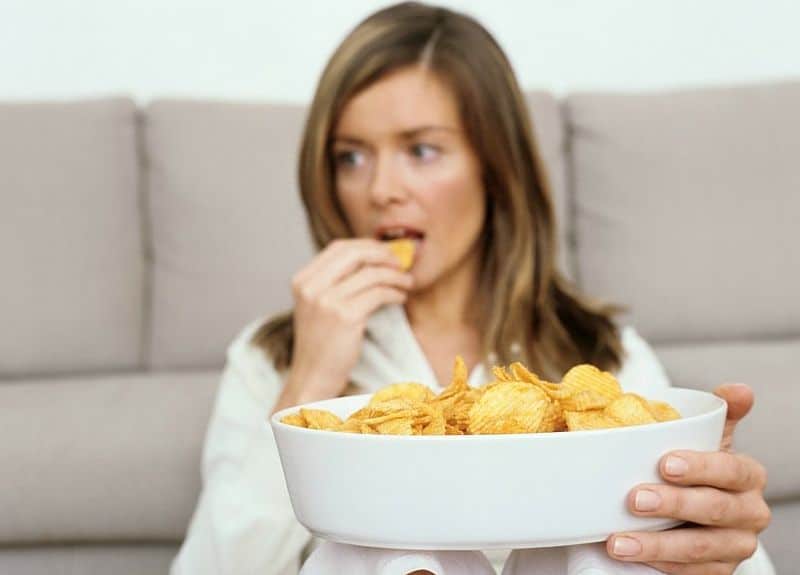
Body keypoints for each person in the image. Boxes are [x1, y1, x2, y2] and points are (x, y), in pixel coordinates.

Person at [170, 3, 774, 574]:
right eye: (350, 157)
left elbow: (708, 551)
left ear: (495, 170)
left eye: (421, 150)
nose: (381, 189)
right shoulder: (269, 358)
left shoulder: (603, 355)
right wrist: (308, 384)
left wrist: (713, 543)